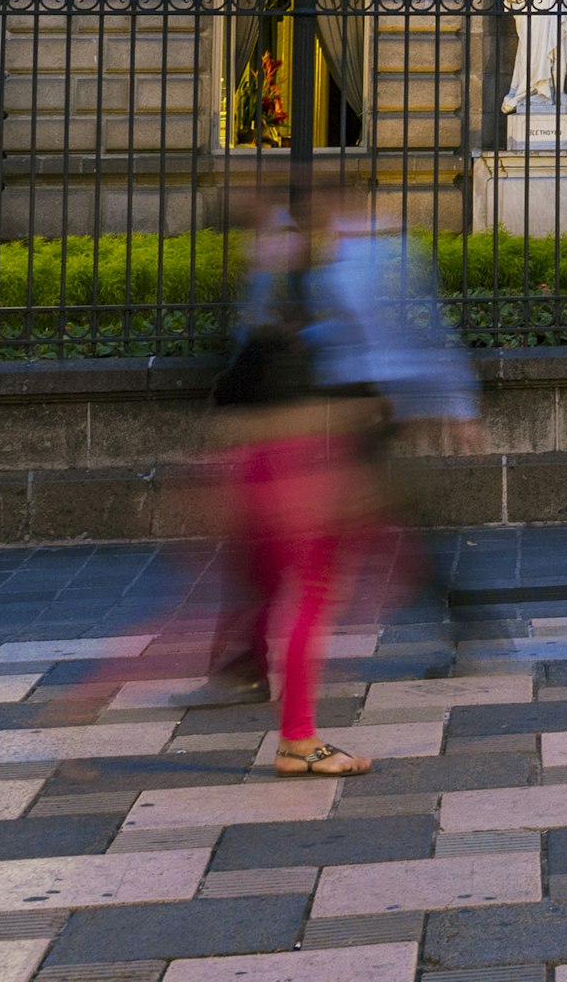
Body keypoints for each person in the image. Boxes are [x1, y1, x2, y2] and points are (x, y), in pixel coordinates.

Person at [207, 215, 372, 775]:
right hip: (290, 479)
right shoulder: (293, 334)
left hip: (261, 477)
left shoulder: (260, 336)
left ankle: (266, 696)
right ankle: (298, 738)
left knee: (279, 595)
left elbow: (229, 408)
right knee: (311, 599)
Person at [309, 190, 486, 652]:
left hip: (373, 403)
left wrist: (454, 402)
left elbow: (420, 330)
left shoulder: (381, 255)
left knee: (364, 519)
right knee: (378, 521)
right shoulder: (348, 257)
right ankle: (457, 614)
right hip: (363, 402)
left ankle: (455, 613)